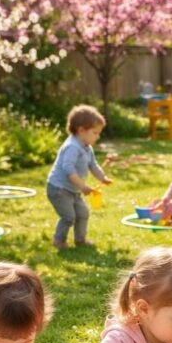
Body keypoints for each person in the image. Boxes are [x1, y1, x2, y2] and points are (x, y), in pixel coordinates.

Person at [46, 104, 112, 249]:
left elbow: (93, 165)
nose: (98, 136)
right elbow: (68, 168)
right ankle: (59, 240)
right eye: (95, 132)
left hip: (73, 190)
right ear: (81, 130)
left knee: (83, 213)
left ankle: (80, 239)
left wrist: (102, 177)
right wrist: (82, 186)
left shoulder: (87, 147)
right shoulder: (72, 147)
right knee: (69, 217)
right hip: (59, 189)